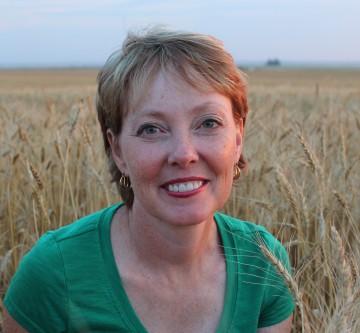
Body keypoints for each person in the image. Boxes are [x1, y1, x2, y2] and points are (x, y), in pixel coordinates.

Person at [3, 26, 294, 332]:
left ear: (237, 138)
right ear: (118, 151)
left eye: (208, 123)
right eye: (151, 129)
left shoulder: (263, 264)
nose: (184, 154)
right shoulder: (53, 273)